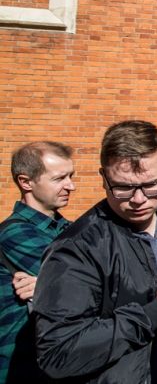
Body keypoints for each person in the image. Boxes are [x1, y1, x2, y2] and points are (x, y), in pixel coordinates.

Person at [33, 120, 157, 383]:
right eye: (123, 187)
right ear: (103, 177)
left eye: (152, 184)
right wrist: (156, 311)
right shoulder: (77, 249)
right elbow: (57, 353)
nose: (139, 199)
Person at [0, 142, 74, 382]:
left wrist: (45, 284)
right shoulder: (15, 233)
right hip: (20, 367)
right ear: (26, 182)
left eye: (71, 176)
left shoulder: (71, 230)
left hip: (56, 364)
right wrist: (55, 284)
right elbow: (87, 282)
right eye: (59, 178)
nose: (70, 185)